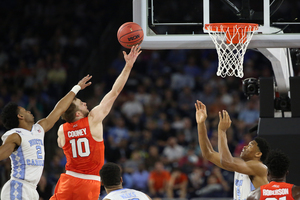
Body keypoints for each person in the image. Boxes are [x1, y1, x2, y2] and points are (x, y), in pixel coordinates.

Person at [50, 45, 142, 200]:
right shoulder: (93, 119)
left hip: (68, 180)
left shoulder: (61, 129)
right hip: (89, 181)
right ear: (78, 113)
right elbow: (114, 92)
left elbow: (61, 142)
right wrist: (128, 66)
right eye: (81, 103)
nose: (85, 103)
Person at [0, 75, 92, 200]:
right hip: (18, 187)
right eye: (25, 111)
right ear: (20, 117)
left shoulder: (39, 129)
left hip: (32, 190)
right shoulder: (15, 136)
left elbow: (59, 109)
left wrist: (77, 88)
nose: (29, 111)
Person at [195, 100, 270, 200]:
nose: (244, 147)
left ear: (258, 154)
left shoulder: (260, 167)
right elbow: (208, 153)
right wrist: (201, 124)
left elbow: (226, 162)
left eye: (250, 146)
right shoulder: (240, 165)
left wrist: (222, 131)